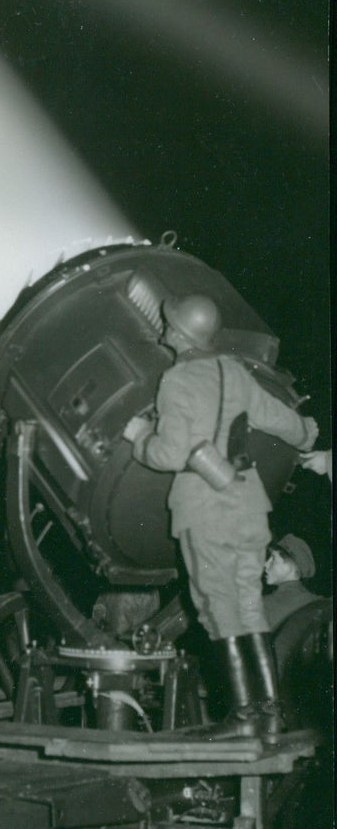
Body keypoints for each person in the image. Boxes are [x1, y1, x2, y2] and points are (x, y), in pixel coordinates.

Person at [124, 294, 318, 738]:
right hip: (249, 507)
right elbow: (281, 420)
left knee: (217, 607)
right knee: (249, 604)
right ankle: (271, 711)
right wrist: (307, 434)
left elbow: (171, 453)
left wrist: (140, 437)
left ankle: (244, 716)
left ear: (177, 334)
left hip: (205, 510)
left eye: (169, 323)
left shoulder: (176, 380)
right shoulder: (235, 370)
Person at [263, 534, 322, 632]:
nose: (266, 564)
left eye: (273, 559)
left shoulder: (263, 605)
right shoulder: (318, 602)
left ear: (290, 567)